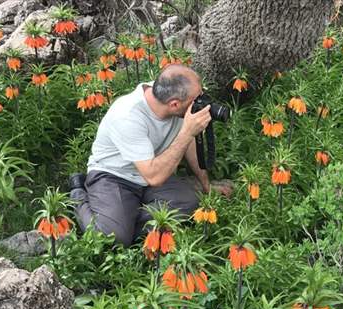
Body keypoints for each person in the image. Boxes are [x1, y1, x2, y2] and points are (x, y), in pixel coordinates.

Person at [69, 64, 231, 246]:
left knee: (192, 203)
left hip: (150, 172)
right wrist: (187, 132)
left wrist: (207, 187)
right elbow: (154, 177)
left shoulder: (167, 96)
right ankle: (78, 195)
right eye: (197, 99)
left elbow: (189, 144)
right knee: (112, 239)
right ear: (175, 104)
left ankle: (123, 216)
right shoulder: (128, 116)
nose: (202, 103)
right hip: (115, 176)